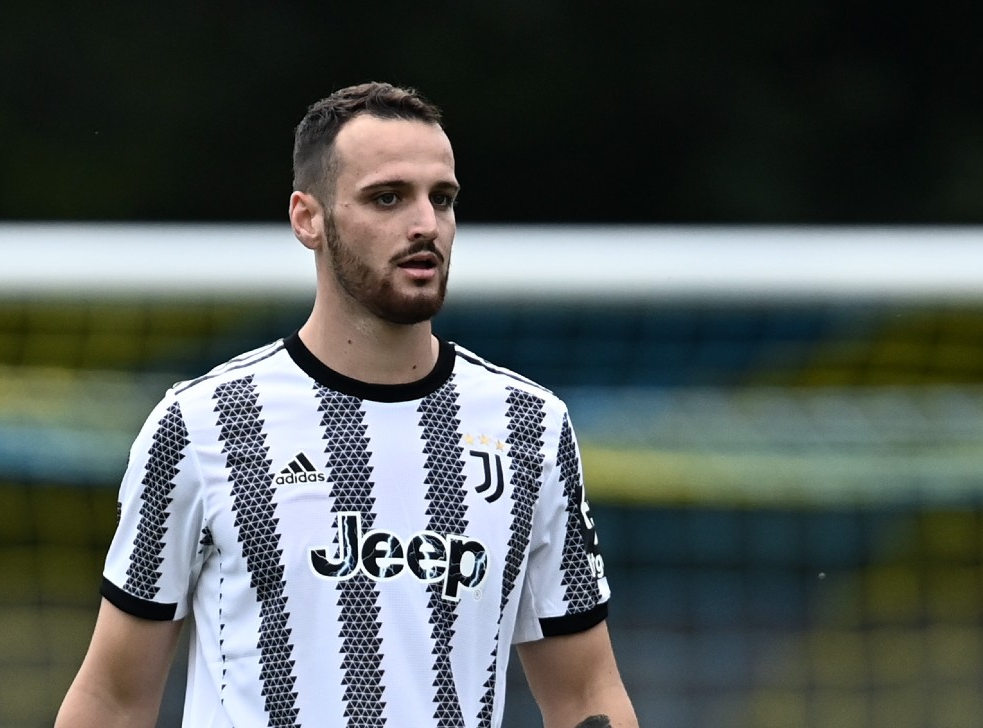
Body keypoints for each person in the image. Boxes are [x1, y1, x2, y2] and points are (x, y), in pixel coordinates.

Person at [55, 82, 639, 728]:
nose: (426, 224)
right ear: (308, 219)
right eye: (388, 197)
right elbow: (114, 697)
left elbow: (586, 696)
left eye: (442, 199)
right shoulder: (203, 423)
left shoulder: (528, 427)